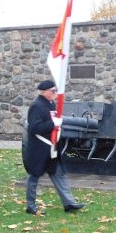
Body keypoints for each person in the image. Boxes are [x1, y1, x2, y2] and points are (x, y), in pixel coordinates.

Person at [24, 80, 86, 215]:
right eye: (53, 91)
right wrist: (53, 123)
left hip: (52, 147)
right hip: (40, 148)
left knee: (59, 174)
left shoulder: (50, 104)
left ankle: (69, 203)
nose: (55, 93)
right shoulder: (36, 106)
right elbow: (34, 128)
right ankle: (30, 206)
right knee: (34, 177)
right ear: (44, 92)